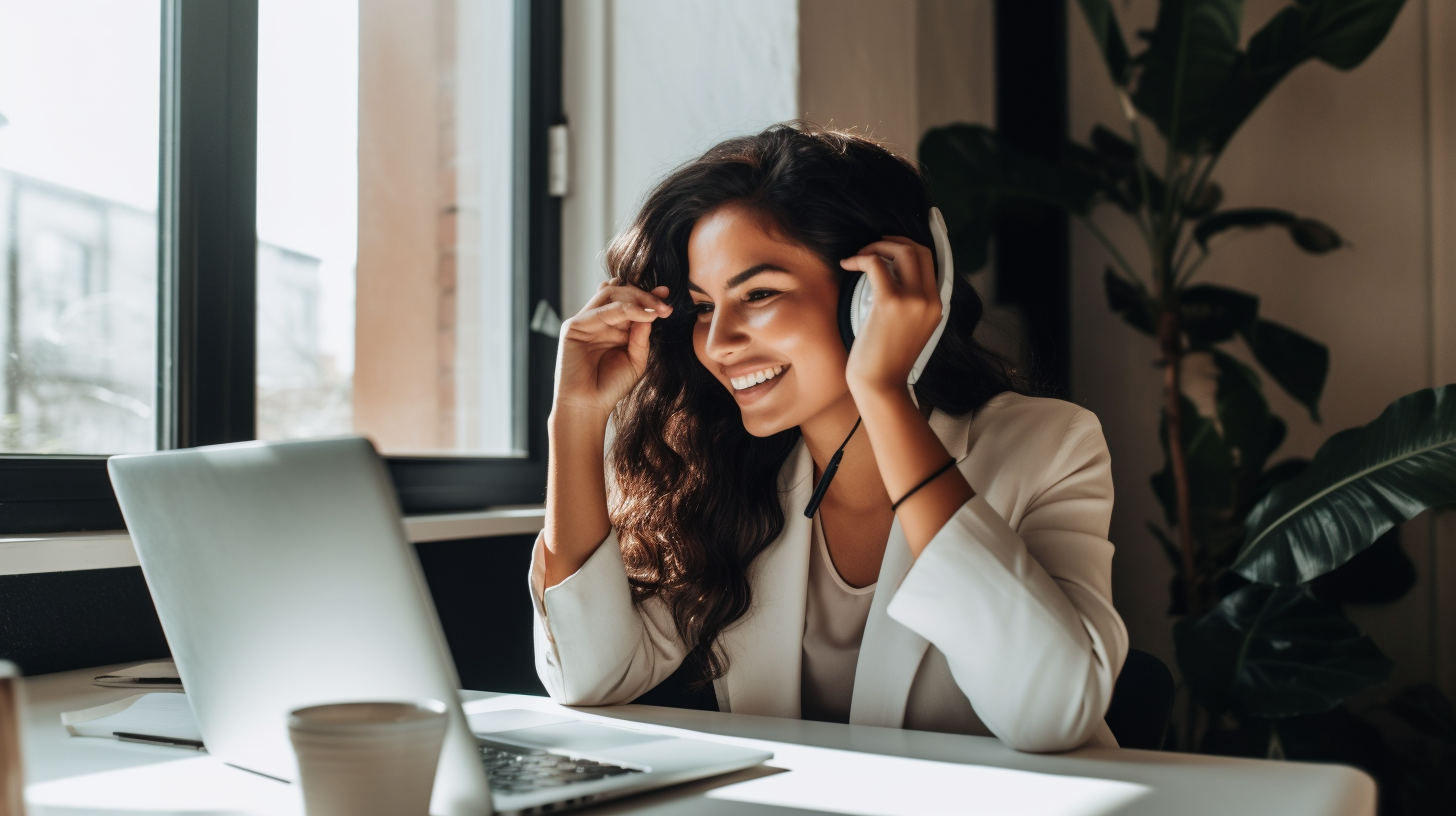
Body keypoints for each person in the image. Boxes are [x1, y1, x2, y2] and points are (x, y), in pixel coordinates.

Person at [531, 122, 1127, 752]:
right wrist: (573, 417)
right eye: (704, 307)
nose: (718, 341)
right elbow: (588, 677)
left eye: (758, 293)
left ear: (870, 298)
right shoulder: (730, 478)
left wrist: (885, 392)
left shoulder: (1050, 446)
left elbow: (1054, 712)